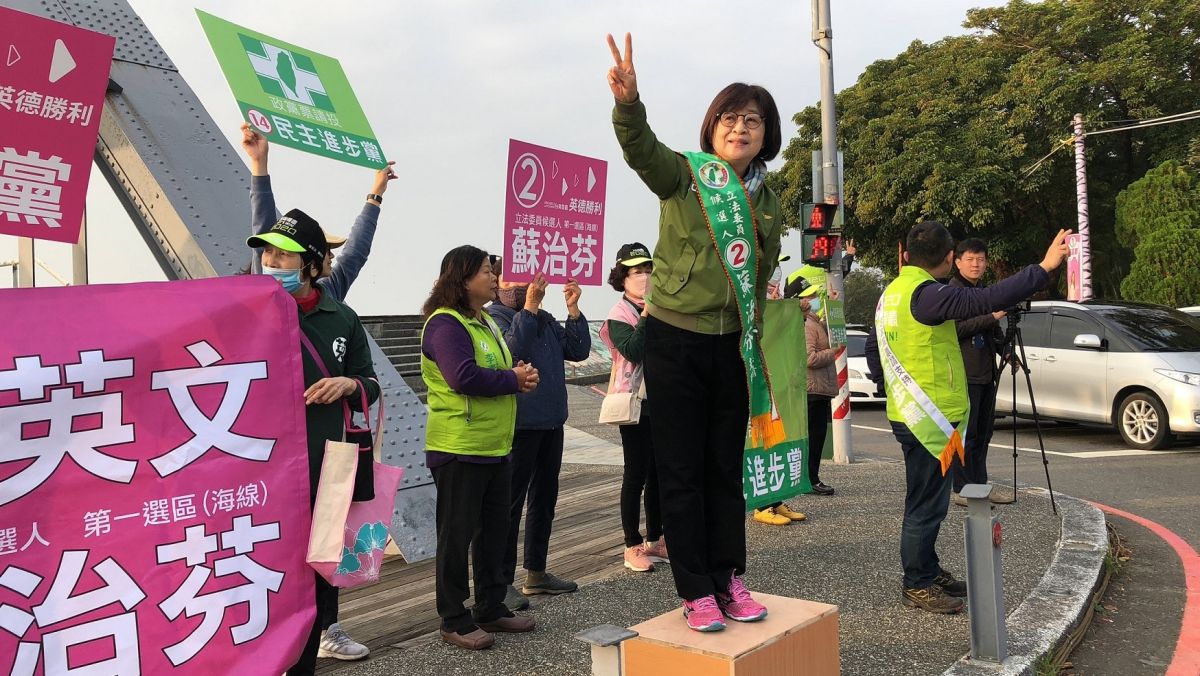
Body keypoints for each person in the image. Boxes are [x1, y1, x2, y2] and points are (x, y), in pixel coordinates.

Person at [607, 33, 783, 632]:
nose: (742, 128)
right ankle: (695, 590)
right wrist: (629, 105)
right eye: (731, 118)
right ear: (712, 128)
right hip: (676, 339)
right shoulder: (685, 175)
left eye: (753, 120)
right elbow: (641, 151)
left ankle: (730, 577)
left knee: (723, 469)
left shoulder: (768, 201)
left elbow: (757, 282)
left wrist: (754, 344)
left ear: (766, 134)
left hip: (732, 344)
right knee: (679, 469)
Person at [242, 124, 394, 661]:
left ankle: (326, 629)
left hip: (332, 459)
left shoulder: (337, 307)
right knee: (278, 553)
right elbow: (265, 228)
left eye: (285, 258)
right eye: (267, 257)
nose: (271, 265)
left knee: (327, 551)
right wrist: (260, 169)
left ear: (311, 262)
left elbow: (358, 250)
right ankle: (279, 635)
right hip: (272, 462)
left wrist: (374, 197)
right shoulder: (259, 303)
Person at [865, 222, 1069, 614]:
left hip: (913, 411)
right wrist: (1043, 268)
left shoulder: (892, 292)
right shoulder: (927, 296)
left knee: (930, 501)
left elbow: (876, 349)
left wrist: (887, 385)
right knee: (925, 505)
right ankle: (917, 583)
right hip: (926, 418)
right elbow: (988, 299)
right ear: (947, 259)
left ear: (906, 255)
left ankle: (928, 568)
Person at [420, 246, 540, 650]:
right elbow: (462, 377)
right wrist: (512, 379)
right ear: (462, 276)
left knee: (494, 531)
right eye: (487, 271)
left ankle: (490, 605)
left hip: (493, 446)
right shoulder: (445, 324)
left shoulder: (484, 321)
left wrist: (519, 375)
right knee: (456, 535)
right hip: (459, 447)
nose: (495, 277)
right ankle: (453, 617)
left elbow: (497, 370)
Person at [487, 268, 591, 609]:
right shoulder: (495, 319)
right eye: (511, 279)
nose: (520, 286)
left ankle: (536, 571)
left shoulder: (545, 318)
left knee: (544, 501)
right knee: (509, 506)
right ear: (497, 285)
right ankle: (500, 583)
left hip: (550, 422)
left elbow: (578, 350)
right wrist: (529, 306)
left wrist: (573, 310)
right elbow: (513, 349)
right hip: (518, 426)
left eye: (525, 280)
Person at [242, 122, 396, 302]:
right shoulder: (265, 286)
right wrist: (259, 162)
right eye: (325, 250)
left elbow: (354, 254)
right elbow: (263, 219)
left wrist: (376, 195)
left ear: (313, 267)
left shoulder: (327, 295)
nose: (331, 256)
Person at [600, 242, 670, 572]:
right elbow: (632, 349)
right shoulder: (620, 315)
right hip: (634, 403)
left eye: (647, 270)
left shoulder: (663, 306)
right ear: (622, 278)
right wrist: (646, 314)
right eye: (635, 272)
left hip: (662, 399)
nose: (644, 276)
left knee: (658, 473)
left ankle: (657, 539)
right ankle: (632, 544)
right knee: (636, 474)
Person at [949, 239, 1012, 506]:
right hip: (964, 373)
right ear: (958, 261)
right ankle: (962, 488)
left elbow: (992, 332)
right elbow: (956, 329)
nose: (976, 264)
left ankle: (980, 485)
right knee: (967, 434)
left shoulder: (983, 291)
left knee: (984, 433)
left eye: (981, 259)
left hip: (986, 372)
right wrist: (992, 317)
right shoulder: (952, 292)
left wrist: (1006, 352)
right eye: (971, 259)